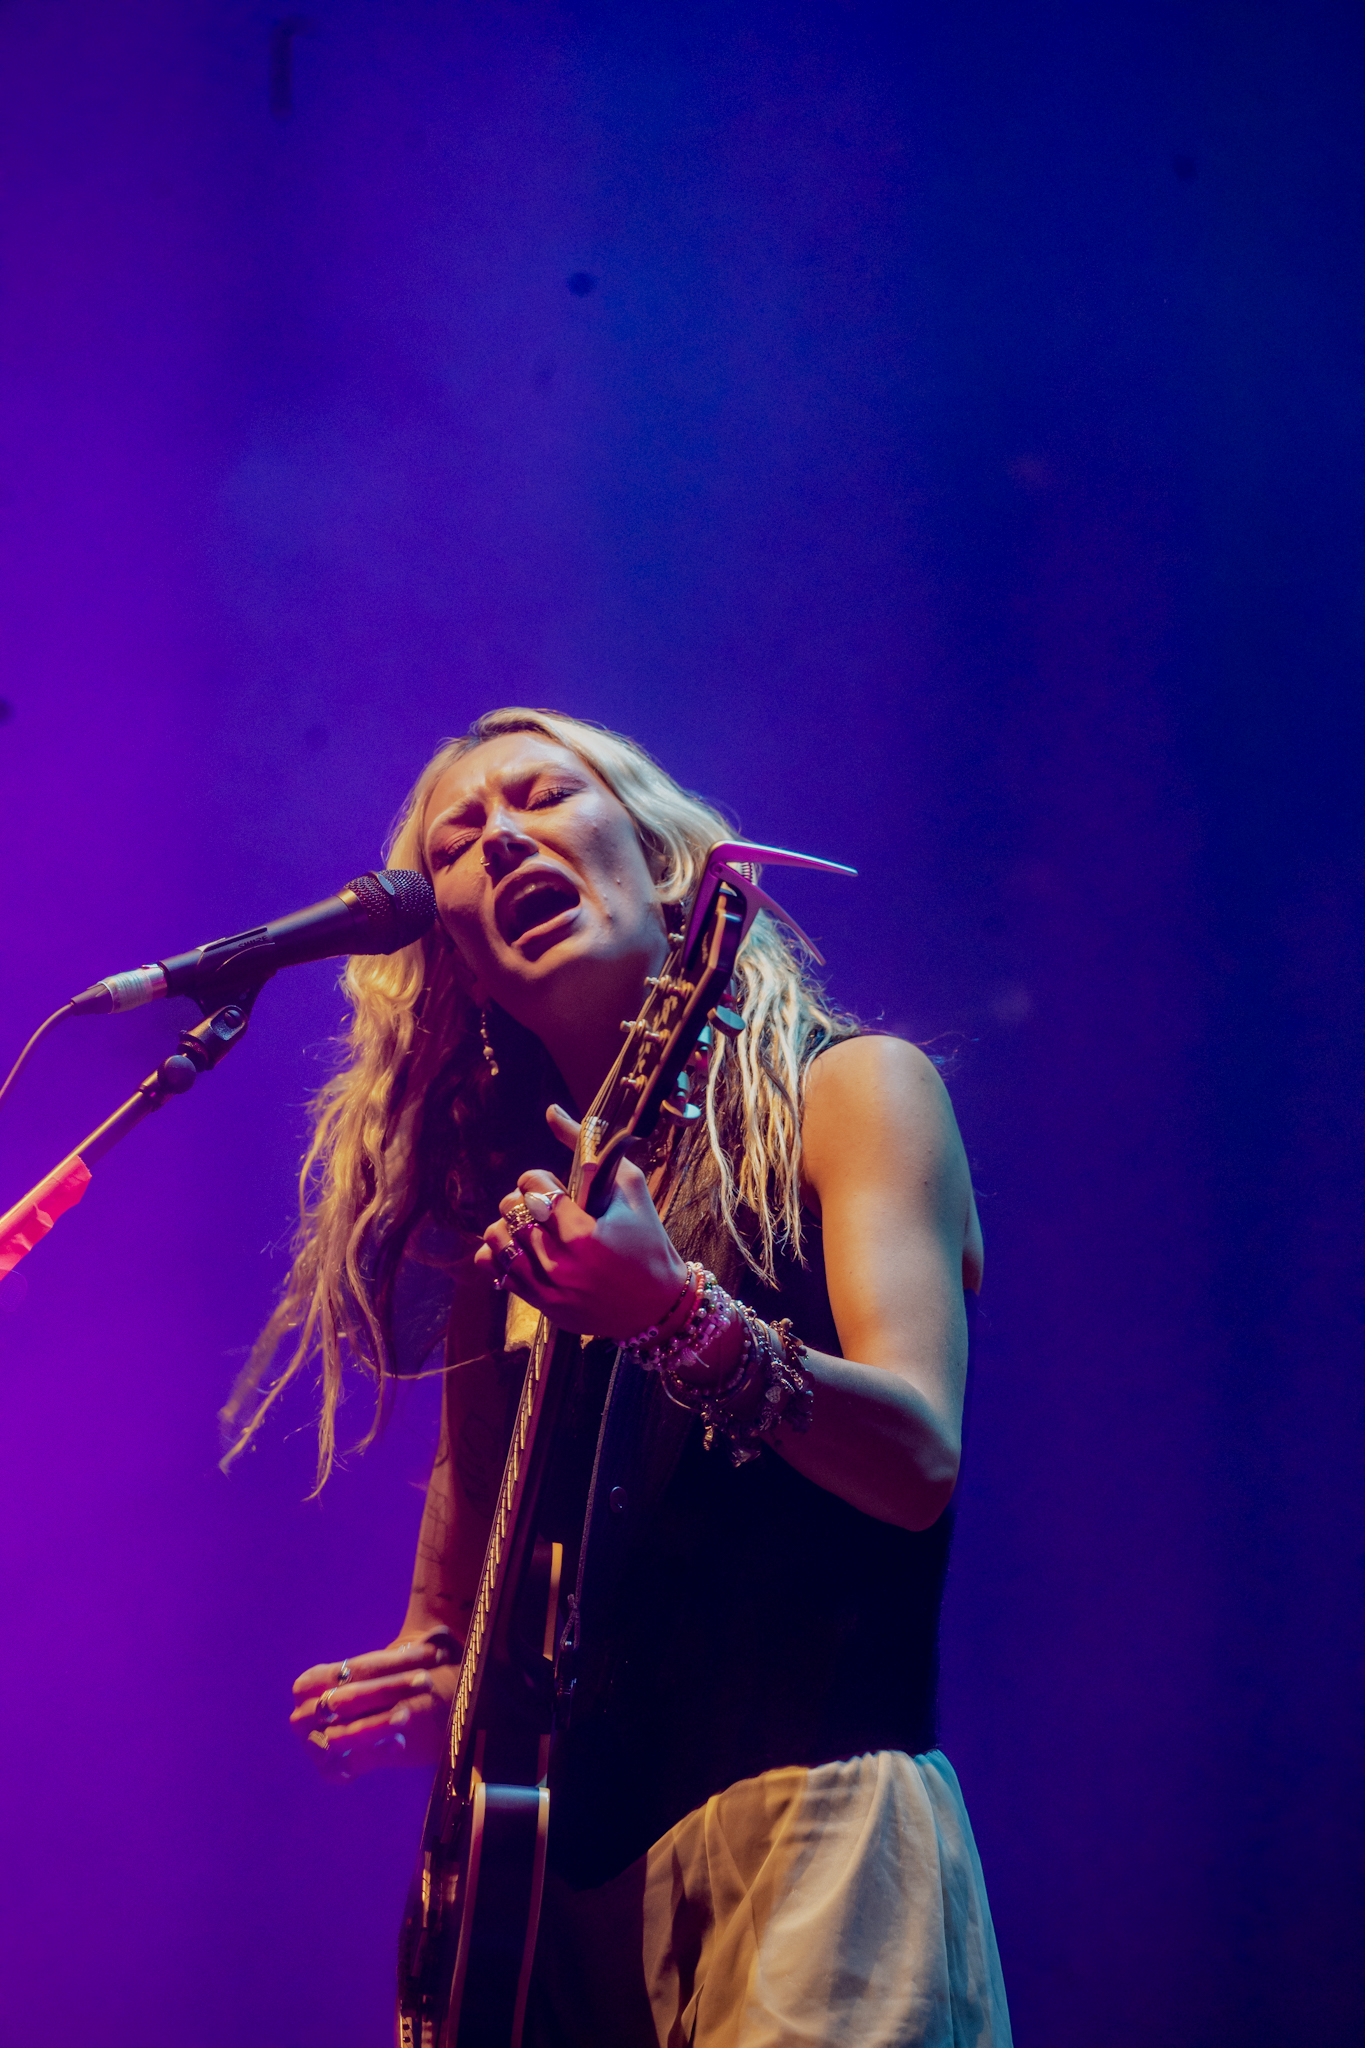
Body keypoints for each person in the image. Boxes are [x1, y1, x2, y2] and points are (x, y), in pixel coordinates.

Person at [230, 707, 1011, 2046]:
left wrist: (670, 1313)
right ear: (457, 959)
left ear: (660, 860)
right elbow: (456, 1626)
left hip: (818, 1825)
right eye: (458, 841)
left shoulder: (857, 1090)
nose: (500, 839)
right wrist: (437, 1686)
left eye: (540, 797)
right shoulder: (512, 1248)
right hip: (562, 1901)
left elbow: (917, 1463)